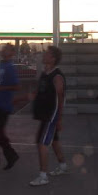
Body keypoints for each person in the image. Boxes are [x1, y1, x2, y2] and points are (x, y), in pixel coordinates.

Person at [29, 46, 67, 186]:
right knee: (54, 141)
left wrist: (59, 119)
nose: (44, 55)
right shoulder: (45, 73)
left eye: (47, 54)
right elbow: (40, 92)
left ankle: (43, 176)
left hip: (51, 116)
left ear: (53, 58)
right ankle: (63, 166)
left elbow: (60, 98)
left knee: (42, 143)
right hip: (45, 114)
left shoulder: (56, 76)